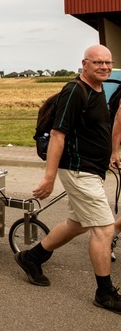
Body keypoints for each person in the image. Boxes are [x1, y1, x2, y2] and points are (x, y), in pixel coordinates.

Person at [19, 44, 120, 314]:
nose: (104, 67)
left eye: (108, 63)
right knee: (104, 229)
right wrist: (49, 178)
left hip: (92, 170)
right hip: (78, 169)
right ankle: (105, 292)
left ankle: (32, 257)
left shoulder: (98, 89)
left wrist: (111, 153)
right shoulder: (75, 90)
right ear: (84, 64)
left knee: (77, 224)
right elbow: (58, 135)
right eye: (98, 63)